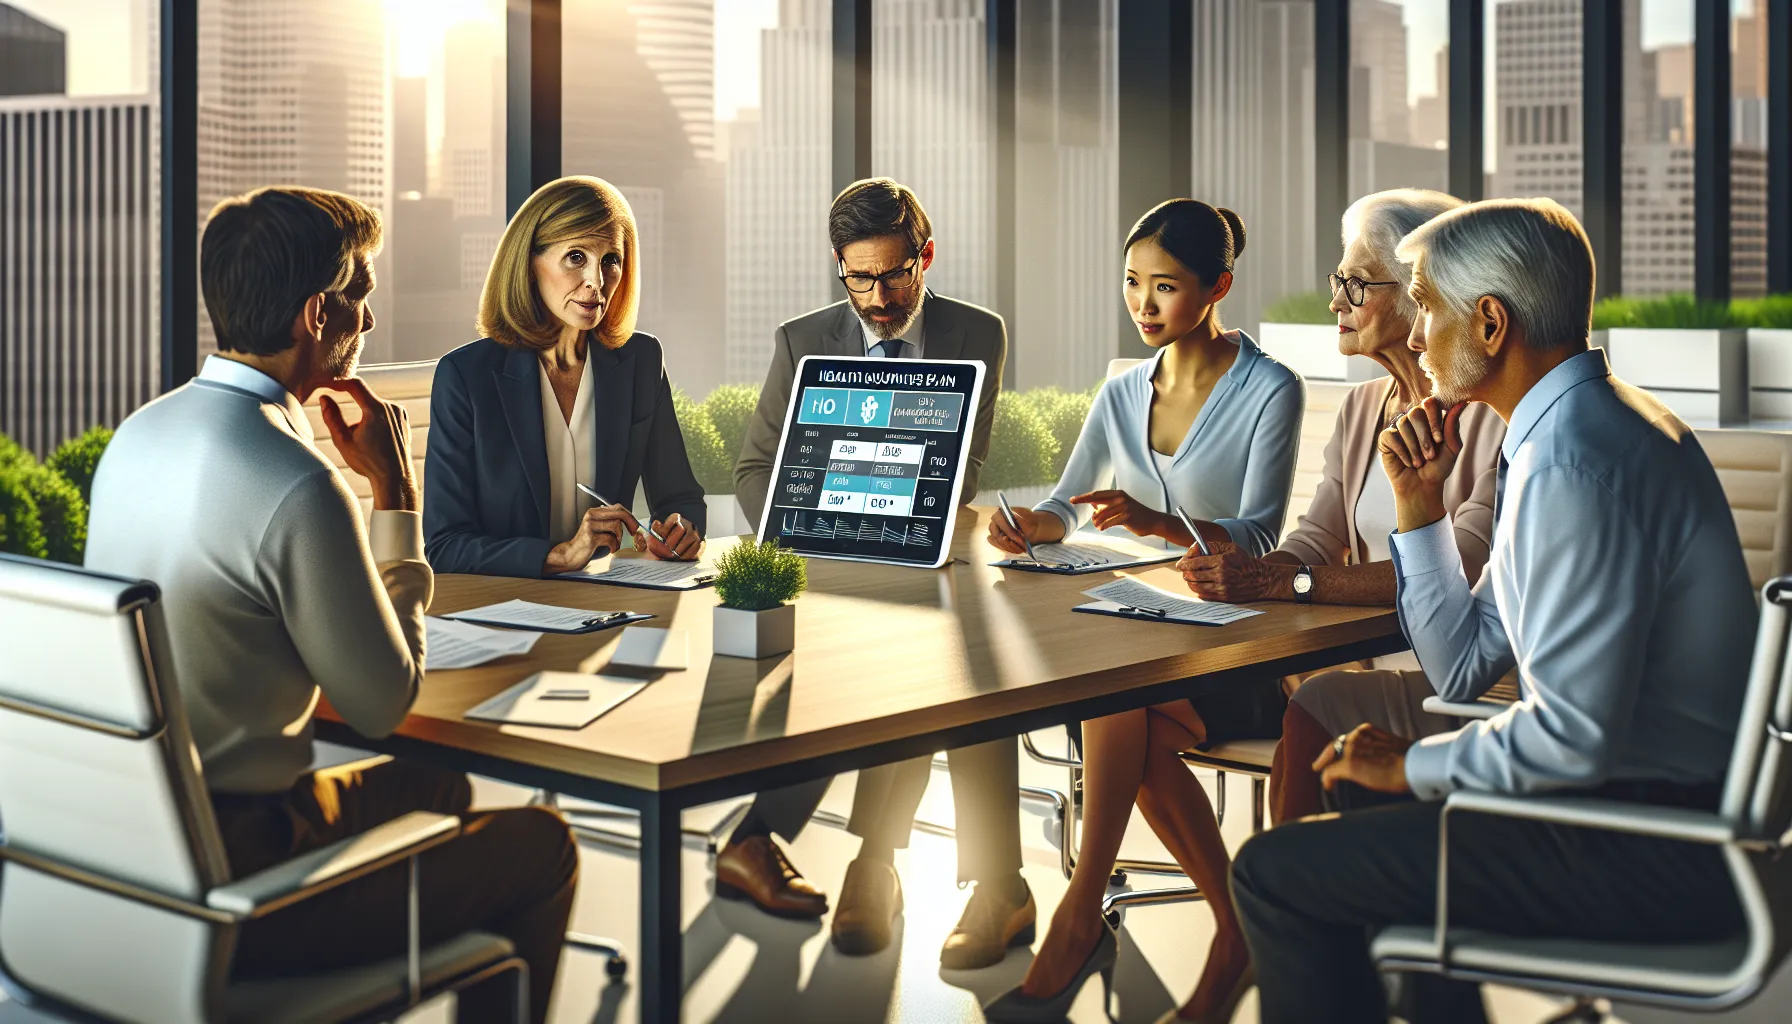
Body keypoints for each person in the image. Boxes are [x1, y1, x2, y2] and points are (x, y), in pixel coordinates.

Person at [1229, 197, 1758, 1024]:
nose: (1411, 335)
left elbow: (1571, 741)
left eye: (1425, 304)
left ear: (1488, 323)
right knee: (1368, 792)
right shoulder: (1573, 432)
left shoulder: (1573, 468)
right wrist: (1418, 507)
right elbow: (1463, 667)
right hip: (1637, 811)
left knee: (1272, 874)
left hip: (1645, 844)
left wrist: (1413, 765)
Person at [83, 186, 577, 1023]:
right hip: (239, 878)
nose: (371, 322)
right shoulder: (296, 483)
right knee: (541, 846)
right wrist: (393, 493)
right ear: (319, 313)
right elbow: (382, 703)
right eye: (362, 297)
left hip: (122, 852)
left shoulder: (138, 436)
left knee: (438, 782)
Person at [984, 199, 1304, 1023]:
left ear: (1218, 286)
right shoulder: (1122, 389)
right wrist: (1030, 526)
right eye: (1132, 283)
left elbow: (1263, 532)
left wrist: (1164, 523)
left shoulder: (1272, 388)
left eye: (1164, 287)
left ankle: (1080, 915)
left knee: (1111, 695)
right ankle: (1233, 925)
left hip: (1235, 642)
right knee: (1124, 709)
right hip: (1138, 634)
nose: (1143, 304)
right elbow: (1068, 503)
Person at [725, 177, 1022, 967]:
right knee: (920, 658)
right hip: (825, 556)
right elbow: (755, 469)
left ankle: (828, 853)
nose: (878, 296)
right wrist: (798, 525)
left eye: (895, 274)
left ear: (926, 258)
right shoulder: (804, 340)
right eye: (859, 277)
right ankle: (964, 876)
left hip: (922, 550)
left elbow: (964, 468)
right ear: (839, 266)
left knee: (952, 652)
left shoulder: (977, 332)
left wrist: (906, 518)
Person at [1178, 188, 1505, 825]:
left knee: (1309, 704)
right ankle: (1219, 901)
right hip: (1337, 658)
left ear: (1419, 293)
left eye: (1355, 284)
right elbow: (1317, 536)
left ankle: (1265, 906)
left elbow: (1461, 566)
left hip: (1445, 677)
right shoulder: (1362, 409)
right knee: (1139, 706)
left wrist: (1290, 581)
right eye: (1338, 282)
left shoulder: (1493, 419)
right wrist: (1245, 568)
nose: (1335, 301)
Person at [426, 175, 705, 577]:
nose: (596, 281)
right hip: (505, 605)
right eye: (576, 257)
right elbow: (445, 546)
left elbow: (681, 498)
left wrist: (681, 530)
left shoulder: (641, 360)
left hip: (606, 598)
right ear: (530, 264)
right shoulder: (465, 376)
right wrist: (560, 555)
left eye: (610, 260)